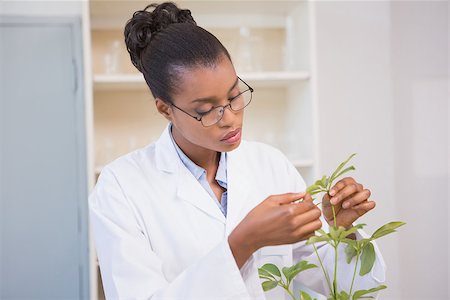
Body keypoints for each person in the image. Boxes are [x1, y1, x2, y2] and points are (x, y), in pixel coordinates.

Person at [89, 2, 386, 299]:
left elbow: (333, 282)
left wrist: (341, 232)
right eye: (206, 109)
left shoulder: (270, 164)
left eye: (234, 95)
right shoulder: (121, 187)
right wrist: (242, 243)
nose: (230, 117)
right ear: (165, 109)